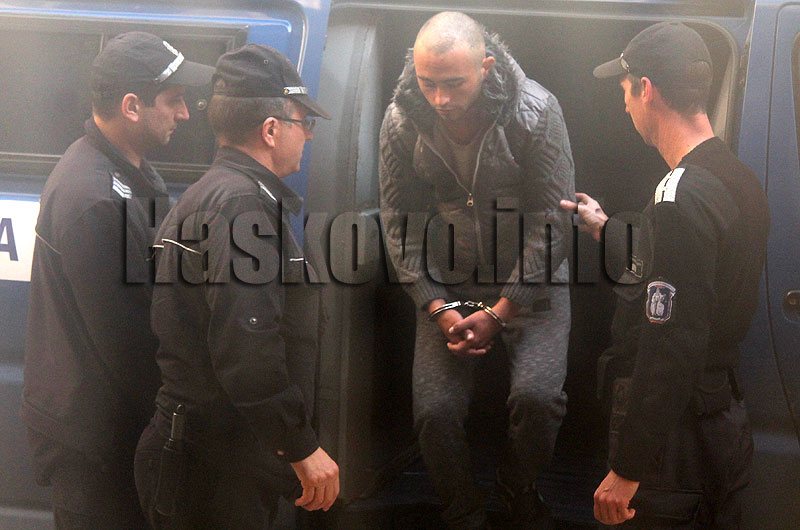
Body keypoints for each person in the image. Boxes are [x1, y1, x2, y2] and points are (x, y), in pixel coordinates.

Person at [560, 21, 770, 528]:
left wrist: (628, 467)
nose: (624, 106)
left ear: (647, 89)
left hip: (677, 446)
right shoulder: (739, 179)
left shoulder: (677, 195)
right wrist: (605, 227)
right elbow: (684, 266)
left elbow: (672, 343)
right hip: (721, 420)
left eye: (625, 92)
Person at [379, 11, 575, 529]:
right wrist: (436, 305)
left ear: (485, 67)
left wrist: (503, 310)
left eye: (453, 84)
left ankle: (517, 487)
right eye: (428, 83)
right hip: (449, 285)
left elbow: (554, 221)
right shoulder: (402, 120)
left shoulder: (535, 111)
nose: (439, 99)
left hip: (532, 279)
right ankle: (463, 511)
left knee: (538, 399)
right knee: (434, 413)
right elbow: (398, 224)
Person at [133, 44, 339, 530]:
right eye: (304, 122)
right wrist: (300, 445)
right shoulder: (242, 208)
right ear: (271, 130)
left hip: (208, 457)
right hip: (213, 470)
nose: (309, 134)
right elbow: (248, 348)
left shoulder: (217, 194)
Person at [20, 32, 213, 529]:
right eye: (174, 100)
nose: (185, 113)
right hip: (98, 450)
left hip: (113, 434)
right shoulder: (94, 199)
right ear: (131, 106)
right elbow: (130, 344)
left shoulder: (125, 172)